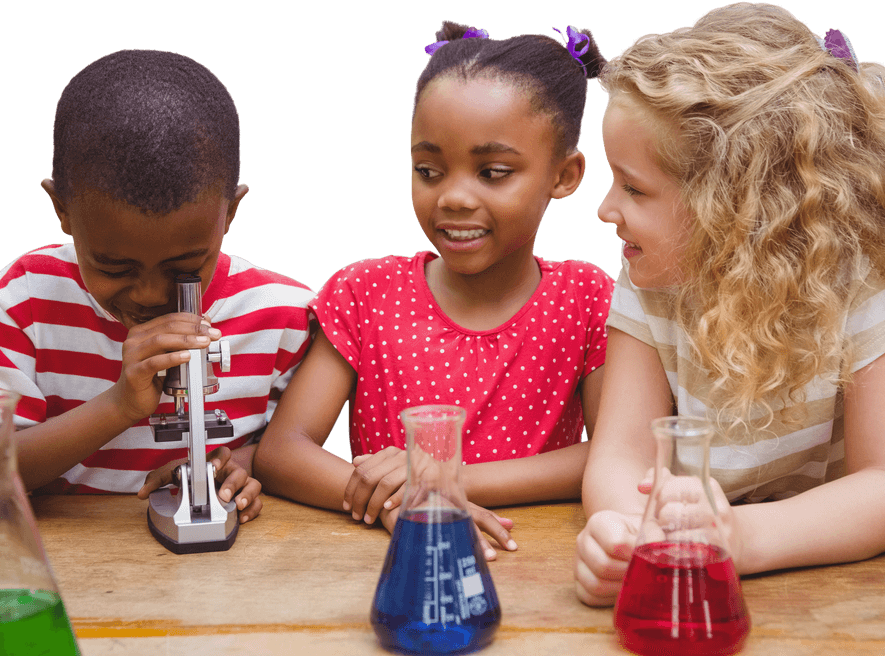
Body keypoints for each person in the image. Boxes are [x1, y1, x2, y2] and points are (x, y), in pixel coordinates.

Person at [575, 3, 885, 606]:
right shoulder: (649, 274)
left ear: (736, 201)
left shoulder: (878, 283)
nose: (606, 209)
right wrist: (628, 533)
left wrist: (739, 539)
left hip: (828, 590)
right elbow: (620, 454)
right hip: (686, 567)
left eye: (634, 187)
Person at [250, 21, 614, 557]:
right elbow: (282, 451)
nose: (453, 198)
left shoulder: (585, 298)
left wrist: (439, 479)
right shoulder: (365, 292)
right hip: (394, 562)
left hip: (538, 563)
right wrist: (404, 504)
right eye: (428, 170)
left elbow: (613, 453)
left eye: (493, 172)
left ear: (564, 175)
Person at [0, 50, 313, 524]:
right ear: (61, 209)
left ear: (231, 213)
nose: (148, 295)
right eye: (114, 267)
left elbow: (288, 449)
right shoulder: (24, 300)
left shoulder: (287, 317)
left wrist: (236, 467)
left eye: (184, 267)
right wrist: (119, 405)